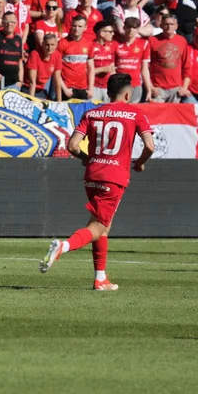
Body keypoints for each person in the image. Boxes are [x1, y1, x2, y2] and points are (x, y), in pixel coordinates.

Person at [40, 73, 155, 291]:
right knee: (98, 226)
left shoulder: (91, 113)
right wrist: (139, 163)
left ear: (108, 92)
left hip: (92, 175)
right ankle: (62, 247)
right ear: (129, 93)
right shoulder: (135, 114)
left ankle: (100, 278)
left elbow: (72, 145)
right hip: (115, 177)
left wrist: (87, 158)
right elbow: (150, 146)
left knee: (104, 227)